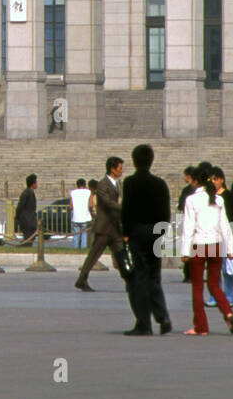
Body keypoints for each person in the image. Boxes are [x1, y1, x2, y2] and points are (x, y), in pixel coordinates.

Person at [120, 144, 172, 336]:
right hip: (156, 234)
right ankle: (163, 316)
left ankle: (143, 323)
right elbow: (166, 213)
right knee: (154, 277)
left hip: (138, 233)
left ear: (134, 161)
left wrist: (125, 233)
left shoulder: (130, 182)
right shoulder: (160, 184)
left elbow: (127, 210)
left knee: (139, 279)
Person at [180, 164, 233, 336]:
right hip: (215, 245)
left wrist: (184, 251)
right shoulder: (218, 200)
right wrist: (229, 249)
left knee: (197, 287)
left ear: (195, 181)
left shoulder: (191, 200)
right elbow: (225, 226)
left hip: (199, 245)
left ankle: (201, 326)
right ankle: (227, 311)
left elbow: (188, 227)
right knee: (214, 284)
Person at [76, 158, 124, 291]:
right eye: (120, 168)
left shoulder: (116, 184)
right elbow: (107, 202)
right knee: (93, 256)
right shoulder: (103, 184)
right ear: (112, 169)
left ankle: (130, 281)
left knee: (121, 255)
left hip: (114, 227)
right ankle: (81, 279)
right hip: (104, 228)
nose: (121, 171)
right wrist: (123, 207)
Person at [207, 167, 233, 309]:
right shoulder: (209, 196)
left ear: (221, 180)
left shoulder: (229, 197)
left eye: (215, 179)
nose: (213, 182)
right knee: (214, 269)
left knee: (227, 270)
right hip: (213, 236)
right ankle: (215, 296)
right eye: (210, 179)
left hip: (227, 236)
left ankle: (229, 296)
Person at [178, 167, 196, 282]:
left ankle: (188, 274)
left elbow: (181, 205)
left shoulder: (187, 190)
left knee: (189, 248)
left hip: (189, 222)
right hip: (198, 223)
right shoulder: (198, 190)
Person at [69, 178, 91, 250]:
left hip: (76, 217)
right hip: (85, 217)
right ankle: (83, 250)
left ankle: (75, 250)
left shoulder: (73, 192)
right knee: (84, 235)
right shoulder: (88, 192)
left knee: (76, 235)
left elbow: (71, 206)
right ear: (85, 184)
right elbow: (91, 205)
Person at [15, 174, 38, 241]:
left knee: (30, 238)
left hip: (30, 219)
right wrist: (17, 215)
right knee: (28, 238)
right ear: (33, 184)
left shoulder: (30, 192)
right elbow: (20, 205)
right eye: (36, 182)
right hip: (26, 219)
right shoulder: (26, 193)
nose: (37, 184)